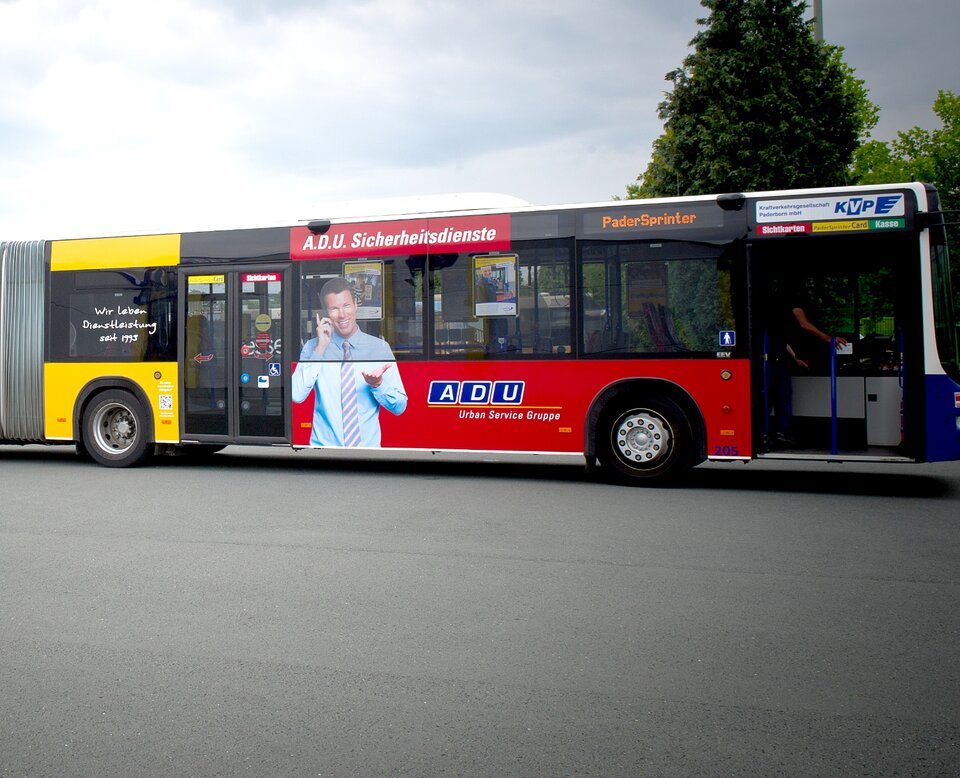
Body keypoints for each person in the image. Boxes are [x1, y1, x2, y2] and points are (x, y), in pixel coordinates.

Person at [292, 278, 407, 447]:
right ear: (326, 313)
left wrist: (379, 385)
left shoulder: (379, 348)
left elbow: (399, 407)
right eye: (334, 309)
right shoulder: (313, 347)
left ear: (355, 305)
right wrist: (320, 349)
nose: (342, 314)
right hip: (324, 452)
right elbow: (296, 395)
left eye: (346, 305)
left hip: (367, 455)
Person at [769, 286, 848, 447]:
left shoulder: (776, 309)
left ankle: (769, 431)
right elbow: (803, 324)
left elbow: (780, 341)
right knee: (782, 392)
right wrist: (827, 338)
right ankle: (783, 431)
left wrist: (795, 358)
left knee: (772, 392)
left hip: (774, 353)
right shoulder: (793, 300)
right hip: (775, 356)